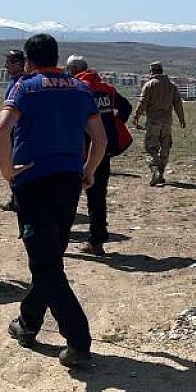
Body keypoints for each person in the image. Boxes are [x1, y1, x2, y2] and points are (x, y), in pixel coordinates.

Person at [0, 34, 106, 369]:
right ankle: (28, 323)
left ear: (28, 60)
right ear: (56, 58)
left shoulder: (25, 87)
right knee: (49, 256)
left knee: (45, 262)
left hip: (34, 181)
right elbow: (99, 139)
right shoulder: (81, 89)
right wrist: (89, 170)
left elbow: (0, 131)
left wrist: (7, 171)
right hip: (69, 180)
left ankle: (78, 339)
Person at [67, 55, 133, 257]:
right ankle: (97, 242)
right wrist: (113, 124)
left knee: (68, 196)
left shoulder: (76, 88)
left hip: (79, 150)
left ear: (74, 70)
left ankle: (60, 239)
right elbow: (126, 107)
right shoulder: (106, 88)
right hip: (102, 150)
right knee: (97, 197)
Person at [132, 61, 185, 187]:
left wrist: (136, 116)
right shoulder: (172, 85)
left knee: (151, 148)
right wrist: (182, 119)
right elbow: (178, 104)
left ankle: (155, 171)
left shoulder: (150, 85)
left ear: (152, 71)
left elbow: (142, 103)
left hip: (153, 122)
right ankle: (161, 172)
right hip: (167, 123)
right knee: (165, 147)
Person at [0, 49, 26, 213]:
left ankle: (17, 198)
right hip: (15, 128)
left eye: (9, 62)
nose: (5, 66)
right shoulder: (16, 81)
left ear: (18, 64)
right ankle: (16, 197)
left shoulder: (20, 83)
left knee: (14, 163)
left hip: (16, 129)